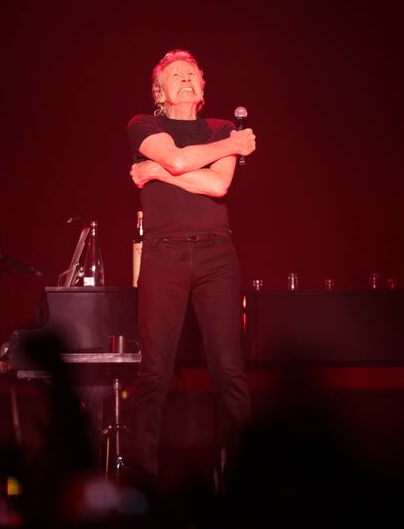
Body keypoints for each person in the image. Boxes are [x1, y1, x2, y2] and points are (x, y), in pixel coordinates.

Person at [123, 49, 256, 494]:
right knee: (154, 372)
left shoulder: (220, 126)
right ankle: (141, 480)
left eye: (191, 74)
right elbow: (180, 162)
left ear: (203, 87)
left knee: (229, 371)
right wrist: (233, 146)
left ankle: (244, 479)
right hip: (163, 254)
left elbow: (217, 184)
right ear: (159, 92)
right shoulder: (144, 124)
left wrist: (154, 173)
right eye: (173, 75)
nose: (184, 79)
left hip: (219, 255)